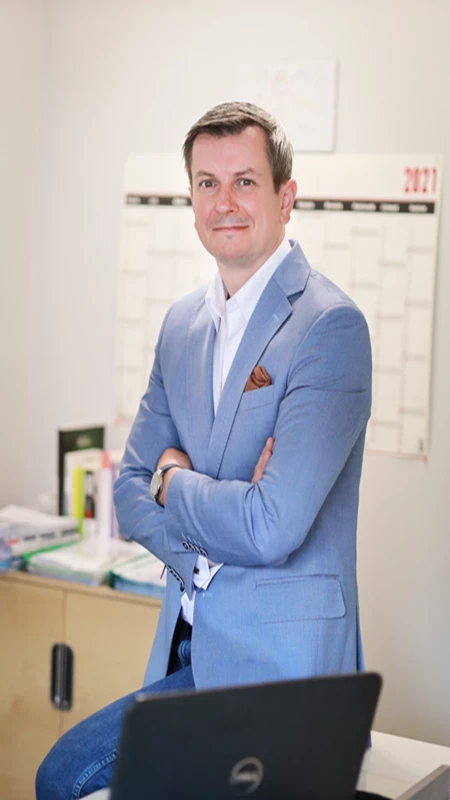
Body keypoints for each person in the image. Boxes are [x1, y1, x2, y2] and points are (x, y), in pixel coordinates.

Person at [36, 101, 372, 799]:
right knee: (61, 776)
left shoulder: (330, 327)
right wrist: (211, 533)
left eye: (245, 181)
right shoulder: (182, 325)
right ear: (190, 200)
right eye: (207, 183)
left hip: (283, 676)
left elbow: (271, 524)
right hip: (188, 654)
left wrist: (174, 484)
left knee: (68, 780)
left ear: (286, 196)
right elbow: (128, 488)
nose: (225, 202)